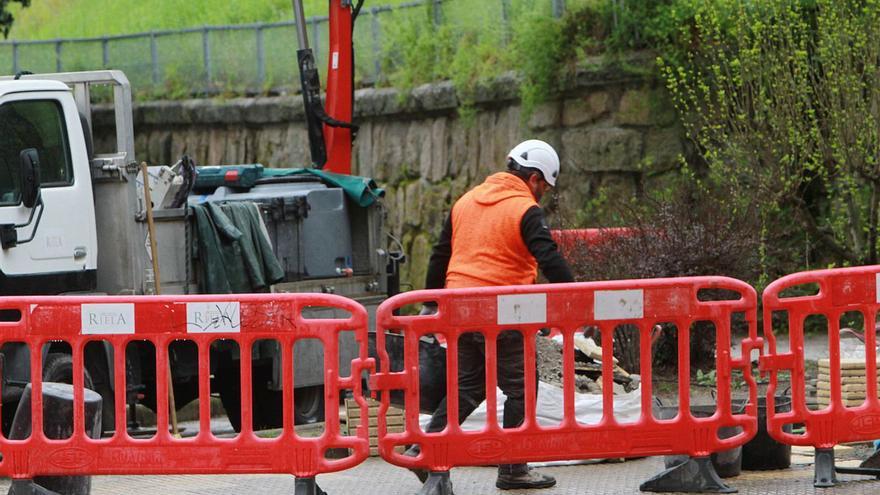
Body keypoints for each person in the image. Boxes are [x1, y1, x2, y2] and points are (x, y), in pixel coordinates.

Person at [409, 139, 575, 490]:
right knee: (520, 388)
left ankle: (423, 448)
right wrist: (576, 298)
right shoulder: (524, 208)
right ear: (533, 178)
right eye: (543, 185)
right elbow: (549, 258)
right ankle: (513, 469)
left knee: (469, 386)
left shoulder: (465, 201)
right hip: (504, 311)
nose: (542, 193)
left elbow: (440, 253)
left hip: (460, 309)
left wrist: (430, 302)